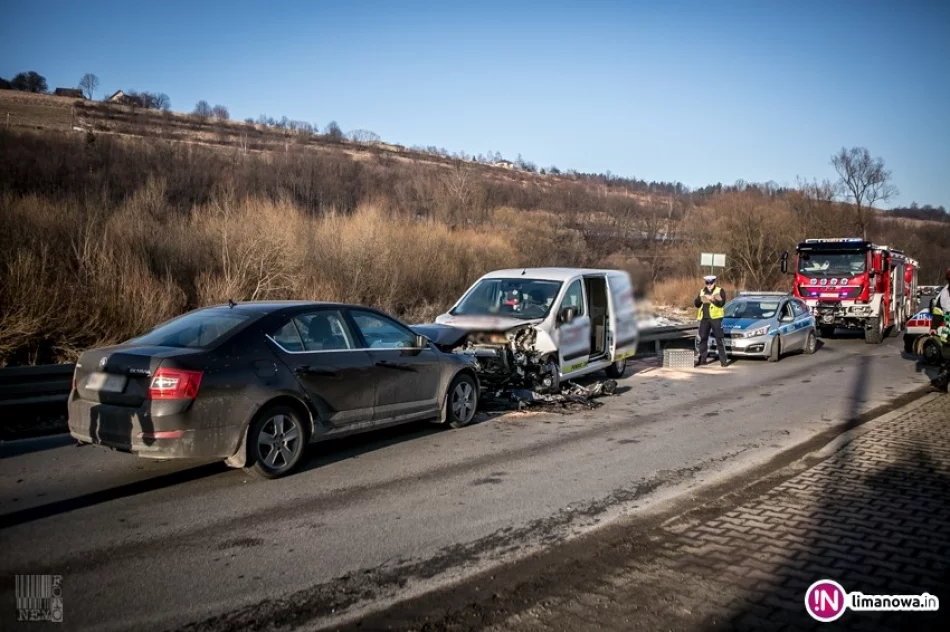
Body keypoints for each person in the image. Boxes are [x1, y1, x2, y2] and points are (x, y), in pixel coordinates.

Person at [694, 275, 728, 367]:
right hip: (704, 318)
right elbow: (696, 304)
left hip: (716, 318)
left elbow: (721, 304)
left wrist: (713, 299)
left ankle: (723, 361)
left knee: (719, 339)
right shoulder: (702, 291)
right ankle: (702, 360)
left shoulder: (720, 290)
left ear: (714, 282)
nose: (709, 285)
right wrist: (700, 299)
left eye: (711, 283)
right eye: (707, 283)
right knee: (703, 338)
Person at [928, 268, 950, 392]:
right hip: (948, 330)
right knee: (946, 356)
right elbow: (938, 312)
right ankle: (943, 382)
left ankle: (942, 380)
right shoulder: (944, 293)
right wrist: (934, 327)